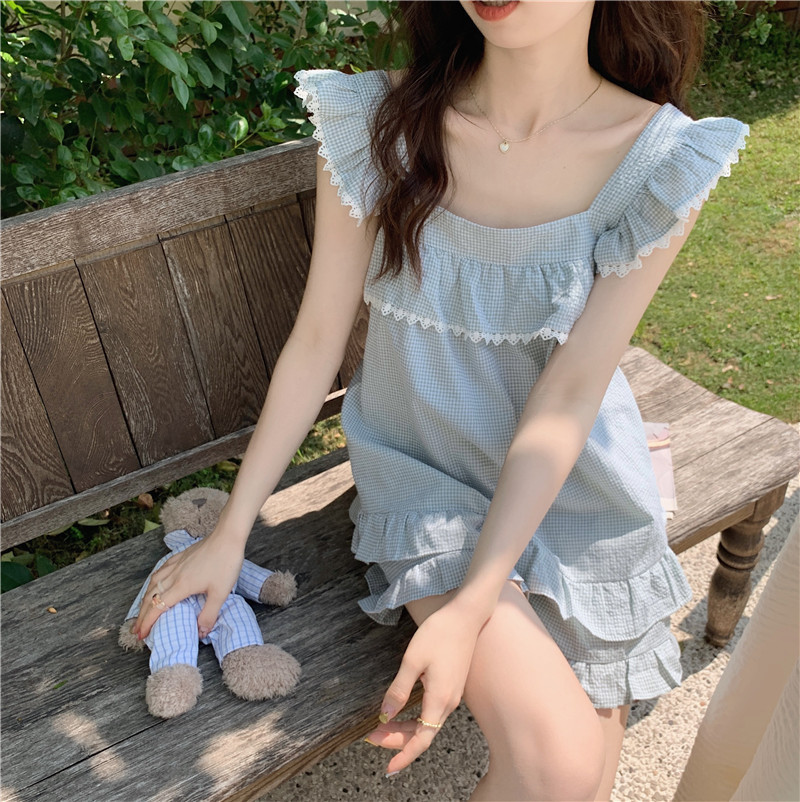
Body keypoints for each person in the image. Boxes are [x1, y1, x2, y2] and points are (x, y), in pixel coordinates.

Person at [133, 2, 749, 799]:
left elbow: (571, 392)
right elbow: (317, 338)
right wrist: (230, 532)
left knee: (578, 782)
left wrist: (474, 606)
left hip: (575, 487)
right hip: (428, 485)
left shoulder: (661, 158)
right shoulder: (378, 122)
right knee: (559, 768)